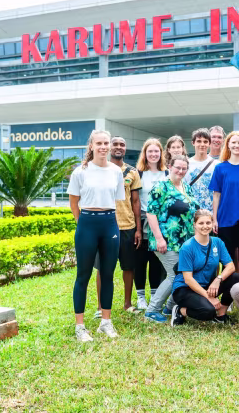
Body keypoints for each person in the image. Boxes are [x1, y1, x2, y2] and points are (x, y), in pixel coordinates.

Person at [67, 130, 126, 342]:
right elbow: (74, 203)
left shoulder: (116, 171)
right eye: (99, 143)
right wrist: (82, 223)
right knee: (83, 275)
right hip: (87, 223)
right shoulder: (80, 171)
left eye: (106, 143)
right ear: (91, 145)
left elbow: (117, 199)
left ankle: (106, 322)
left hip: (110, 223)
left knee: (108, 274)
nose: (103, 147)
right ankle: (80, 326)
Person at [144, 154, 199, 323]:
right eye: (178, 167)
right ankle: (152, 310)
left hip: (184, 241)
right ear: (169, 167)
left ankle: (169, 307)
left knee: (182, 274)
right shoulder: (161, 187)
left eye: (184, 168)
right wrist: (160, 239)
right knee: (175, 275)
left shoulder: (187, 187)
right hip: (166, 241)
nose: (181, 171)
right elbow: (151, 213)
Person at [92, 136, 142, 316]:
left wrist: (138, 228)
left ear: (125, 148)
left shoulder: (132, 172)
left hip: (127, 225)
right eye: (115, 144)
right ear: (108, 147)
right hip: (104, 225)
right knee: (103, 268)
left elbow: (135, 201)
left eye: (122, 144)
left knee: (128, 267)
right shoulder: (98, 169)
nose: (118, 147)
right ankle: (100, 307)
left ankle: (127, 304)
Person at [170, 209, 239, 326]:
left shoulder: (217, 242)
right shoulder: (187, 247)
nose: (205, 226)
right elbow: (188, 279)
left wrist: (218, 279)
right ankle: (180, 311)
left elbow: (231, 266)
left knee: (235, 278)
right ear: (194, 225)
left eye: (208, 223)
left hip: (207, 285)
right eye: (201, 223)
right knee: (208, 311)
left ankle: (221, 315)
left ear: (212, 224)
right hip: (185, 289)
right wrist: (209, 297)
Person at [209, 131, 239, 274]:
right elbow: (216, 195)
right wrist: (214, 219)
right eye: (234, 142)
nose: (237, 145)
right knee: (227, 257)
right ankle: (229, 291)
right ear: (228, 145)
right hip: (225, 217)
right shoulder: (220, 168)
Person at [134, 138, 167, 311]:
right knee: (140, 260)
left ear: (161, 153)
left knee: (156, 260)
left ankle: (154, 294)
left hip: (161, 224)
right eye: (150, 152)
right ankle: (140, 297)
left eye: (156, 151)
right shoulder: (138, 173)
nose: (153, 154)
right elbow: (134, 200)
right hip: (142, 221)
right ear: (145, 154)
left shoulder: (166, 173)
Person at [187, 128, 218, 211]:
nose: (202, 144)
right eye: (199, 141)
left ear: (209, 144)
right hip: (191, 212)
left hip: (210, 213)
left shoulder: (216, 165)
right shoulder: (186, 164)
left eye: (205, 141)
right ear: (193, 143)